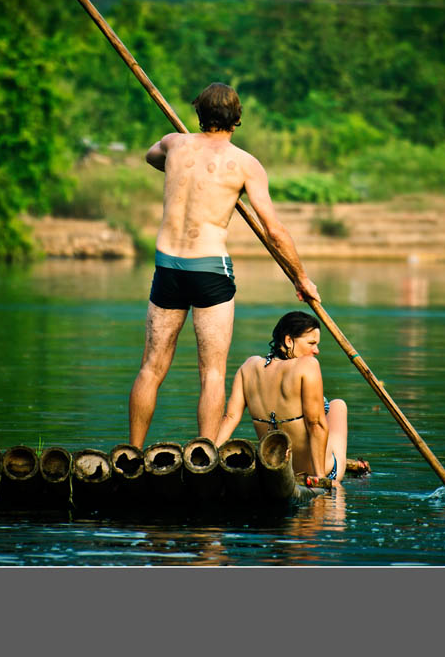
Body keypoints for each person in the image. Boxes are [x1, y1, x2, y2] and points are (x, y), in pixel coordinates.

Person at [128, 83, 319, 449]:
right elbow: (274, 231)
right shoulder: (246, 164)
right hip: (210, 270)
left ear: (199, 114)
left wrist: (184, 162)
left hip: (167, 266)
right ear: (238, 118)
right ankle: (203, 453)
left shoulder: (173, 144)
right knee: (212, 373)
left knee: (151, 368)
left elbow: (152, 157)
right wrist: (302, 278)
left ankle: (132, 452)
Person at [215, 311, 350, 483]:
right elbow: (315, 424)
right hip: (317, 470)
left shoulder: (248, 367)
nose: (316, 350)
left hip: (275, 471)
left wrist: (212, 457)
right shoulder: (307, 365)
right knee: (338, 405)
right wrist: (320, 479)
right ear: (288, 340)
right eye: (311, 343)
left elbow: (230, 418)